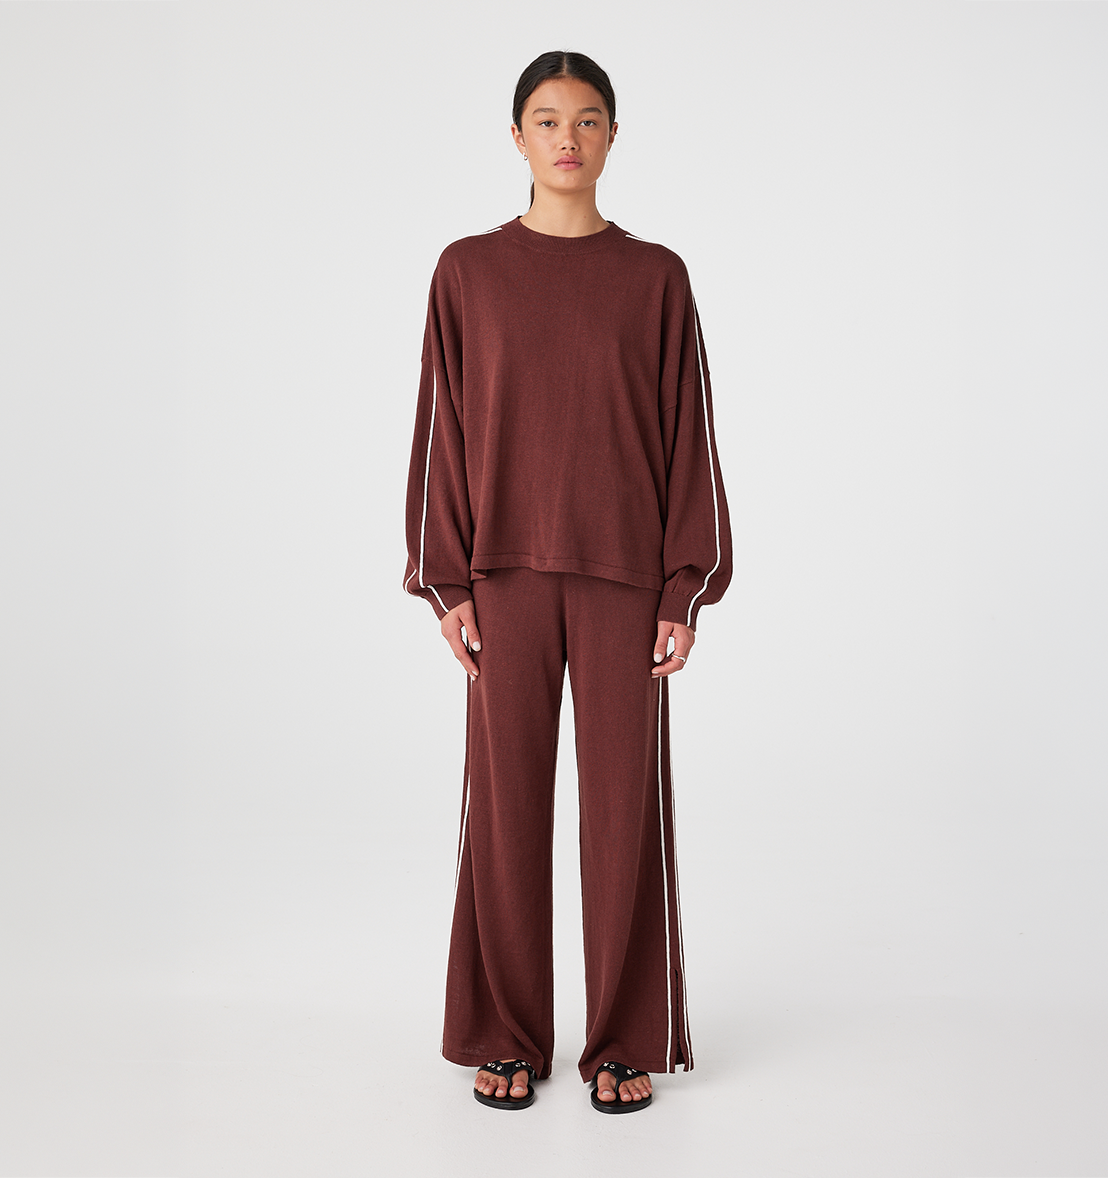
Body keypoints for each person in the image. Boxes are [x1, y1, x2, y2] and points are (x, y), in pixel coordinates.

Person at [401, 49, 732, 1114]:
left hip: (624, 582)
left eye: (587, 120)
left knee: (623, 818)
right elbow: (442, 429)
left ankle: (623, 1038)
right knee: (504, 816)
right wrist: (446, 581)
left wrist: (682, 588)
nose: (567, 139)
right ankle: (506, 1032)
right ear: (516, 137)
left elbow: (688, 438)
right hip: (500, 578)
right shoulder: (466, 271)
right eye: (546, 120)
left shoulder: (656, 278)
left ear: (612, 136)